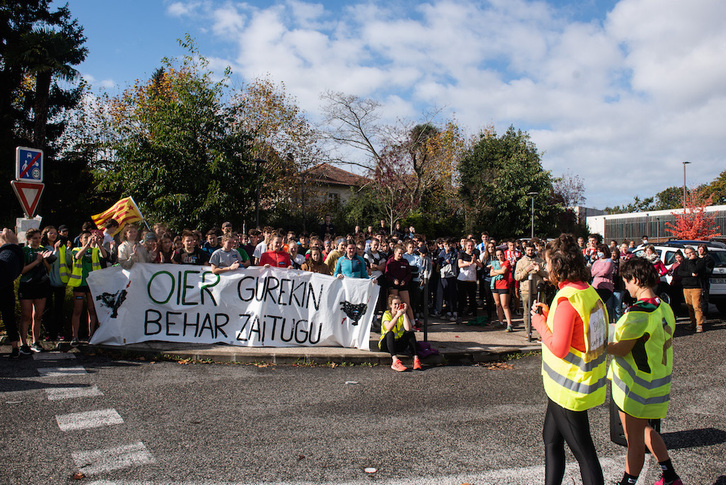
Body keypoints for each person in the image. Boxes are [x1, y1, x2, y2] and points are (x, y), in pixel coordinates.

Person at [530, 234, 607, 485]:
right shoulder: (588, 293)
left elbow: (559, 347)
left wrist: (540, 324)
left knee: (584, 454)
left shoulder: (566, 300)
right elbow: (577, 333)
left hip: (568, 388)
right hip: (574, 385)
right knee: (550, 439)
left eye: (548, 262)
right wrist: (549, 316)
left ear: (558, 265)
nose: (545, 267)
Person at [608, 257, 682, 485]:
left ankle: (627, 482)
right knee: (646, 429)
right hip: (655, 382)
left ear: (636, 280)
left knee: (634, 440)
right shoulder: (665, 307)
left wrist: (599, 345)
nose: (626, 287)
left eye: (626, 282)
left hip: (634, 387)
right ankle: (670, 475)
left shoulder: (638, 313)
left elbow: (621, 349)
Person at [64, 229, 108, 345]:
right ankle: (75, 336)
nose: (88, 239)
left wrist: (98, 243)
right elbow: (78, 257)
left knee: (92, 310)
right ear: (80, 240)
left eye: (89, 237)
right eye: (85, 238)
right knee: (77, 310)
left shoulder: (95, 251)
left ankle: (91, 335)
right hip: (80, 284)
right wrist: (87, 245)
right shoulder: (76, 249)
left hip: (92, 284)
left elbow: (104, 255)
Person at [18, 228, 54, 353]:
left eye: (39, 238)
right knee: (26, 315)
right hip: (27, 284)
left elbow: (49, 269)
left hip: (41, 285)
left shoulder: (43, 250)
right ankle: (23, 343)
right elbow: (22, 270)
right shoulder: (23, 250)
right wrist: (37, 261)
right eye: (35, 238)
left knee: (38, 315)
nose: (37, 240)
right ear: (29, 239)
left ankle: (35, 341)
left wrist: (44, 260)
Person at [378, 294, 422, 372]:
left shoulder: (401, 314)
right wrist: (397, 316)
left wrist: (404, 313)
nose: (397, 306)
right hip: (387, 344)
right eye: (395, 304)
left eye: (399, 304)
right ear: (390, 305)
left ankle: (416, 359)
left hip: (398, 344)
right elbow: (388, 328)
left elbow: (408, 328)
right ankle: (394, 361)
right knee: (390, 333)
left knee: (410, 333)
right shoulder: (386, 314)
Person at [41, 226, 68, 340]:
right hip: (48, 282)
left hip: (60, 282)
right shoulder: (43, 248)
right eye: (50, 233)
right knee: (47, 308)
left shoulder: (61, 247)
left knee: (59, 308)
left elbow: (68, 260)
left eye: (54, 233)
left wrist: (67, 250)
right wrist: (56, 251)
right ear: (45, 234)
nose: (53, 235)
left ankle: (58, 331)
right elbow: (50, 261)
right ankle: (47, 332)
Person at [1, 228, 25, 357]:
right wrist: (11, 246)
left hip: (6, 290)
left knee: (8, 316)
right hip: (5, 287)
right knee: (8, 316)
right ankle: (15, 346)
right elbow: (6, 269)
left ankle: (15, 347)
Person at [515, 241, 547, 336]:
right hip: (526, 290)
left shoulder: (541, 261)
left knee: (541, 312)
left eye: (532, 250)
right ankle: (528, 331)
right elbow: (517, 277)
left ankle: (541, 333)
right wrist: (526, 270)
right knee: (527, 312)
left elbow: (547, 275)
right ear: (525, 250)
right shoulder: (521, 262)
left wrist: (539, 270)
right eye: (528, 250)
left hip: (538, 290)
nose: (530, 252)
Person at [678, 246, 705, 332]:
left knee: (697, 306)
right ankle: (692, 323)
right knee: (689, 306)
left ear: (694, 252)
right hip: (686, 287)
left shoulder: (699, 261)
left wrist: (691, 261)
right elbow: (680, 272)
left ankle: (699, 324)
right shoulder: (684, 261)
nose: (689, 254)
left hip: (696, 287)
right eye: (687, 253)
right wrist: (690, 274)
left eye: (690, 252)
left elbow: (695, 270)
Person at [456, 239, 481, 322]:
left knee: (472, 299)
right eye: (469, 246)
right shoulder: (462, 254)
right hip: (462, 279)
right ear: (465, 246)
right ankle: (459, 315)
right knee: (462, 298)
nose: (470, 247)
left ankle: (475, 316)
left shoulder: (476, 254)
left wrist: (475, 261)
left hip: (472, 280)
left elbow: (480, 265)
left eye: (472, 246)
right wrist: (470, 263)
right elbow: (460, 265)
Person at [490, 248, 513, 331]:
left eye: (501, 254)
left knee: (504, 305)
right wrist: (498, 271)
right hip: (495, 285)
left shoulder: (506, 262)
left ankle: (509, 323)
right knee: (498, 304)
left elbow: (503, 271)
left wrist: (496, 271)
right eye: (498, 255)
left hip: (504, 285)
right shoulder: (495, 263)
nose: (500, 256)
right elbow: (491, 273)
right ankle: (501, 322)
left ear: (504, 254)